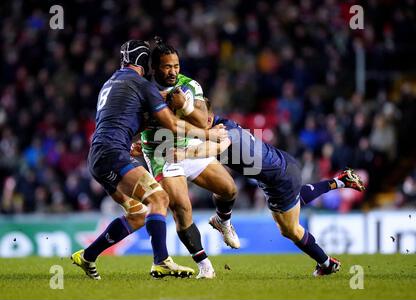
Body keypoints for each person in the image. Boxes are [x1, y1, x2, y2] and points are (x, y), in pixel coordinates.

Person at [70, 40, 226, 280]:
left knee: (137, 214)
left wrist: (136, 140)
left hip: (99, 155)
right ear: (145, 62)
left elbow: (122, 117)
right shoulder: (141, 84)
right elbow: (173, 124)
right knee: (159, 198)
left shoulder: (111, 82)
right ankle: (161, 261)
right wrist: (210, 134)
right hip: (113, 153)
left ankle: (87, 256)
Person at [169, 97, 366, 276]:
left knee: (289, 230)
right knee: (294, 200)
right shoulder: (215, 127)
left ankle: (326, 263)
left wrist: (185, 154)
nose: (191, 124)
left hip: (278, 179)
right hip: (284, 166)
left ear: (209, 118)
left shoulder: (224, 132)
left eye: (193, 119)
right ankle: (341, 181)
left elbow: (217, 148)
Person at [138, 37, 239, 279]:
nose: (173, 72)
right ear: (154, 68)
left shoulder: (189, 86)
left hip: (188, 146)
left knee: (229, 189)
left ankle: (222, 221)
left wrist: (184, 107)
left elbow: (203, 120)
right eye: (166, 66)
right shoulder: (142, 89)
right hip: (161, 152)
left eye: (176, 66)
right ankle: (204, 265)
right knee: (182, 208)